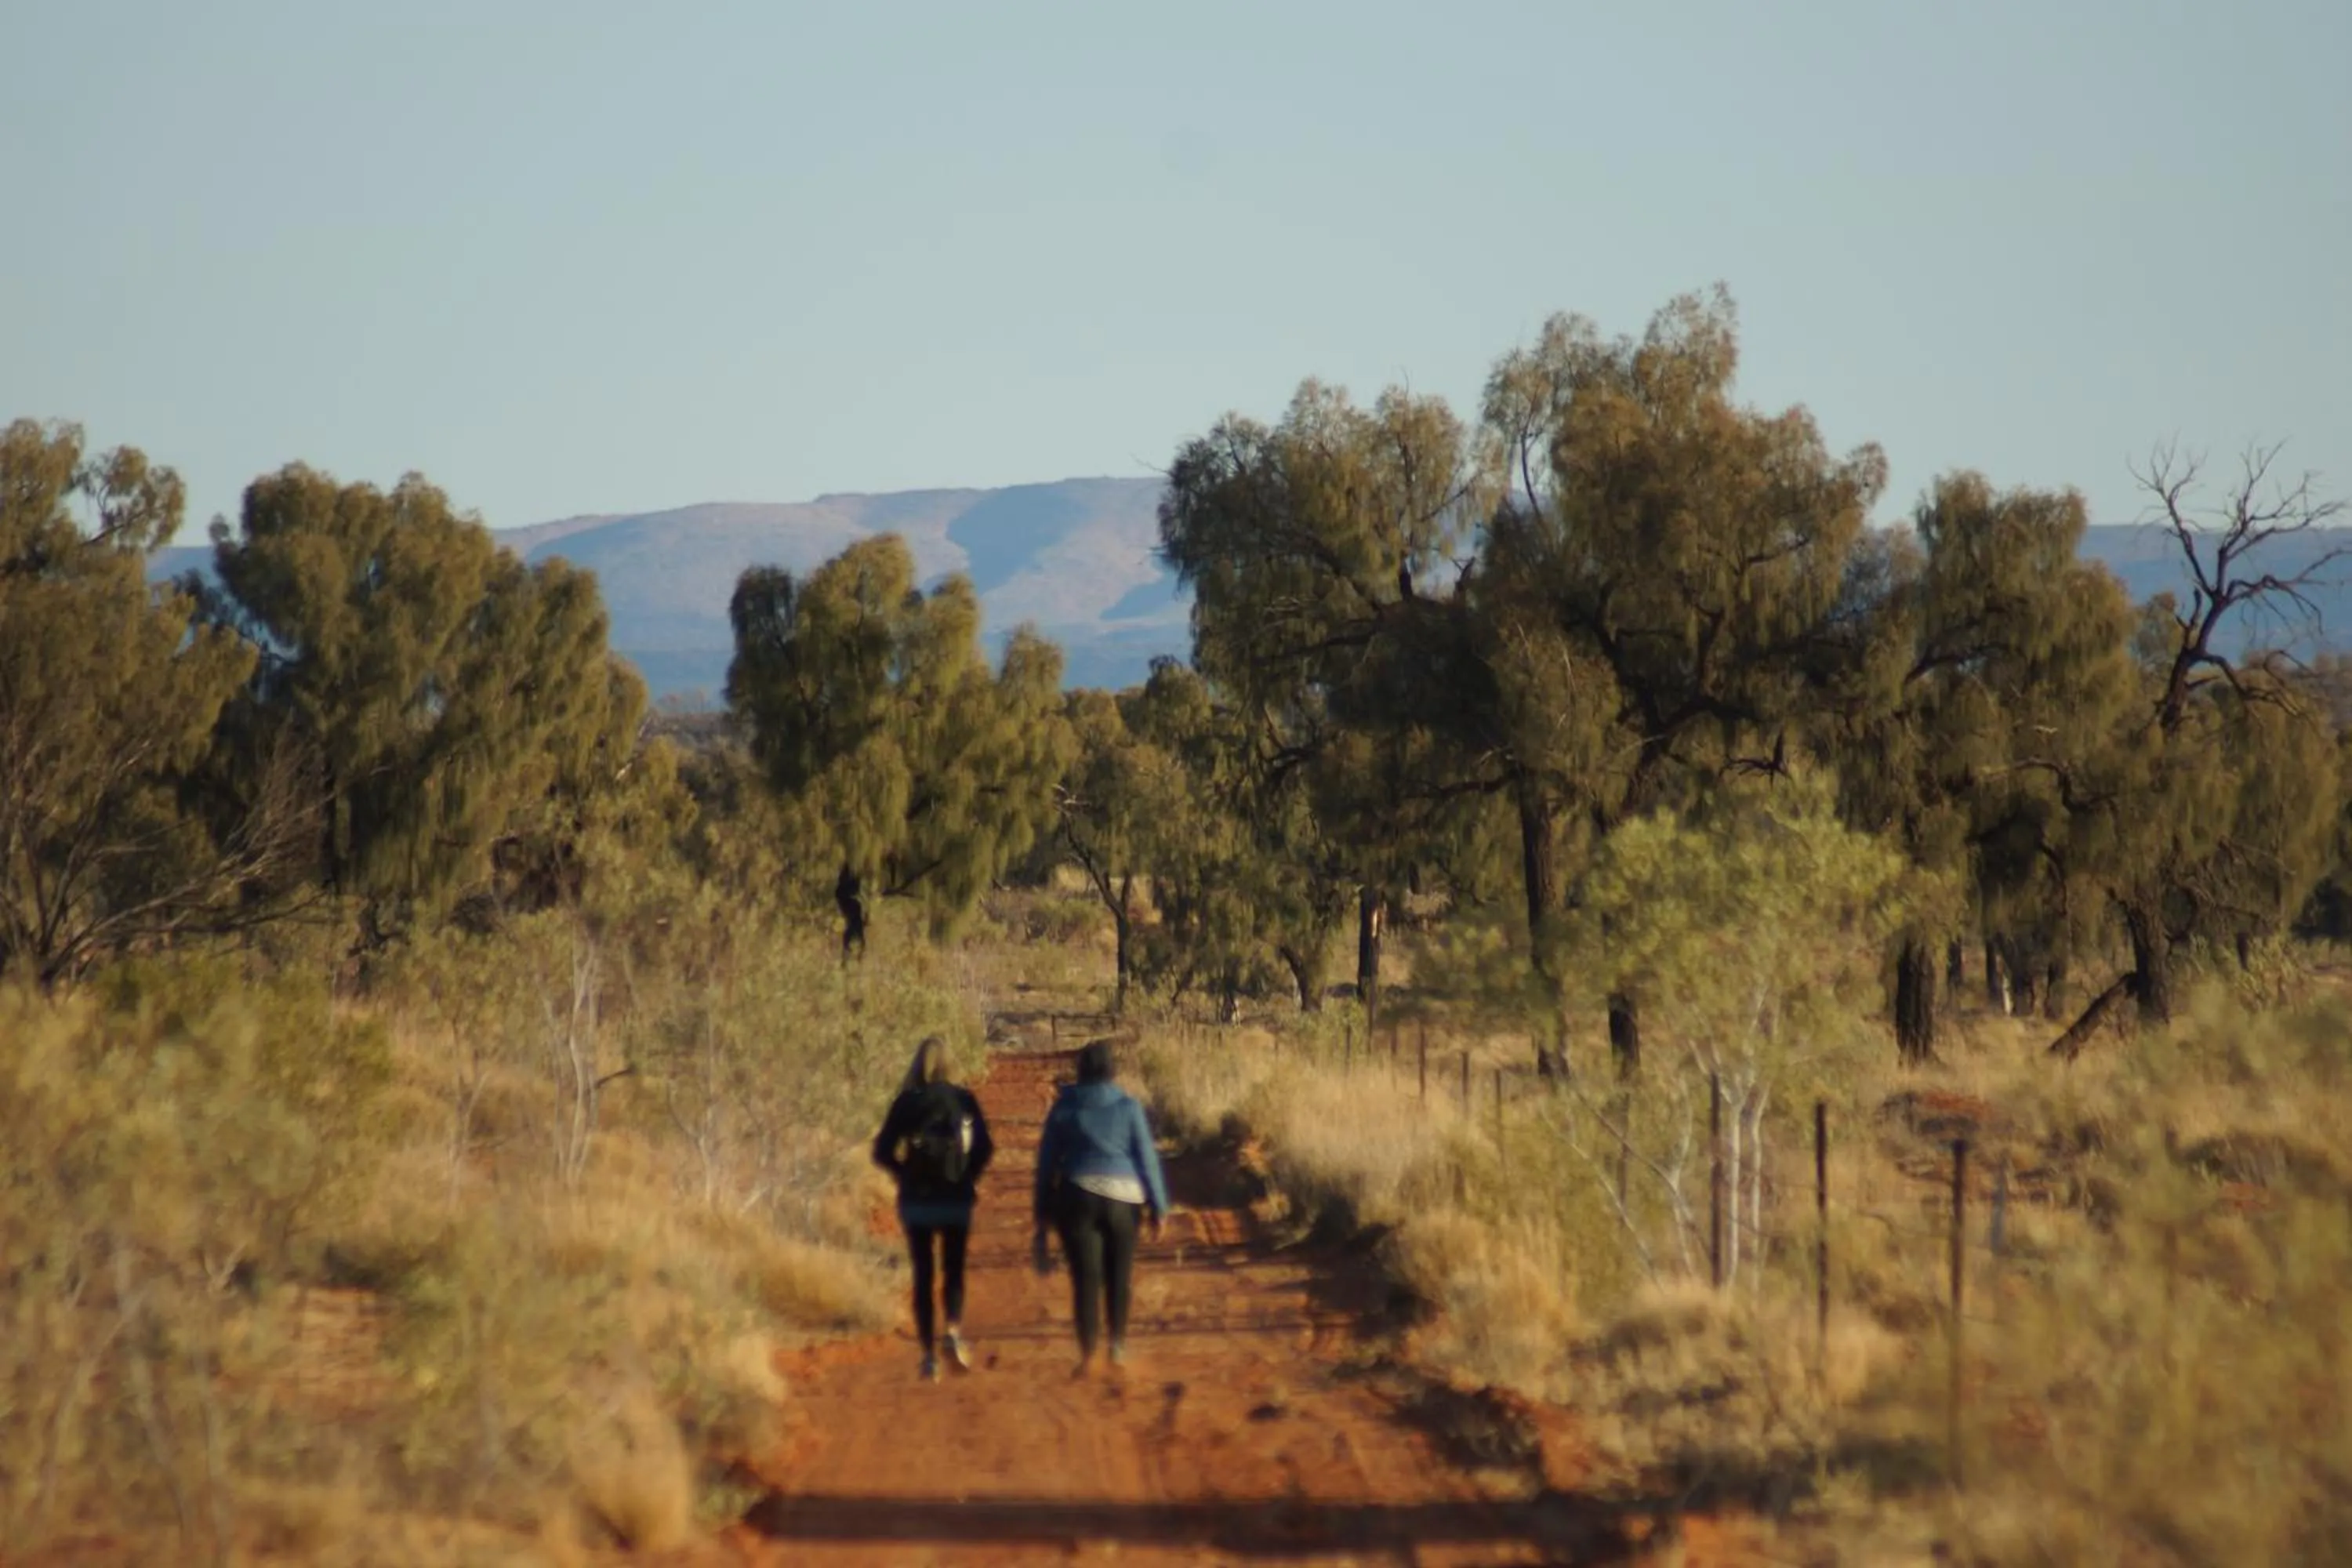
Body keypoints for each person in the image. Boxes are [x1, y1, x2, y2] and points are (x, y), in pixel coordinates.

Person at [1033, 1039, 1170, 1377]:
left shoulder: (1064, 1107)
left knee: (1086, 1279)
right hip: (1125, 1199)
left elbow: (1046, 1163)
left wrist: (1042, 1215)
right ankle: (1118, 1347)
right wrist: (1159, 1206)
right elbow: (1147, 1159)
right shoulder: (1129, 1106)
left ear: (1080, 1070)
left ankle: (1087, 1354)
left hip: (1077, 1195)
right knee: (1119, 1275)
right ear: (1112, 1070)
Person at [871, 1036, 993, 1380]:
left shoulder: (906, 1103)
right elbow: (985, 1148)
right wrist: (969, 1176)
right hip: (955, 1197)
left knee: (923, 1274)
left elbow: (881, 1152)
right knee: (954, 1268)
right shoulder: (963, 1100)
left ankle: (927, 1355)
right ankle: (953, 1331)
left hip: (916, 1200)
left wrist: (903, 1174)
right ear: (951, 1065)